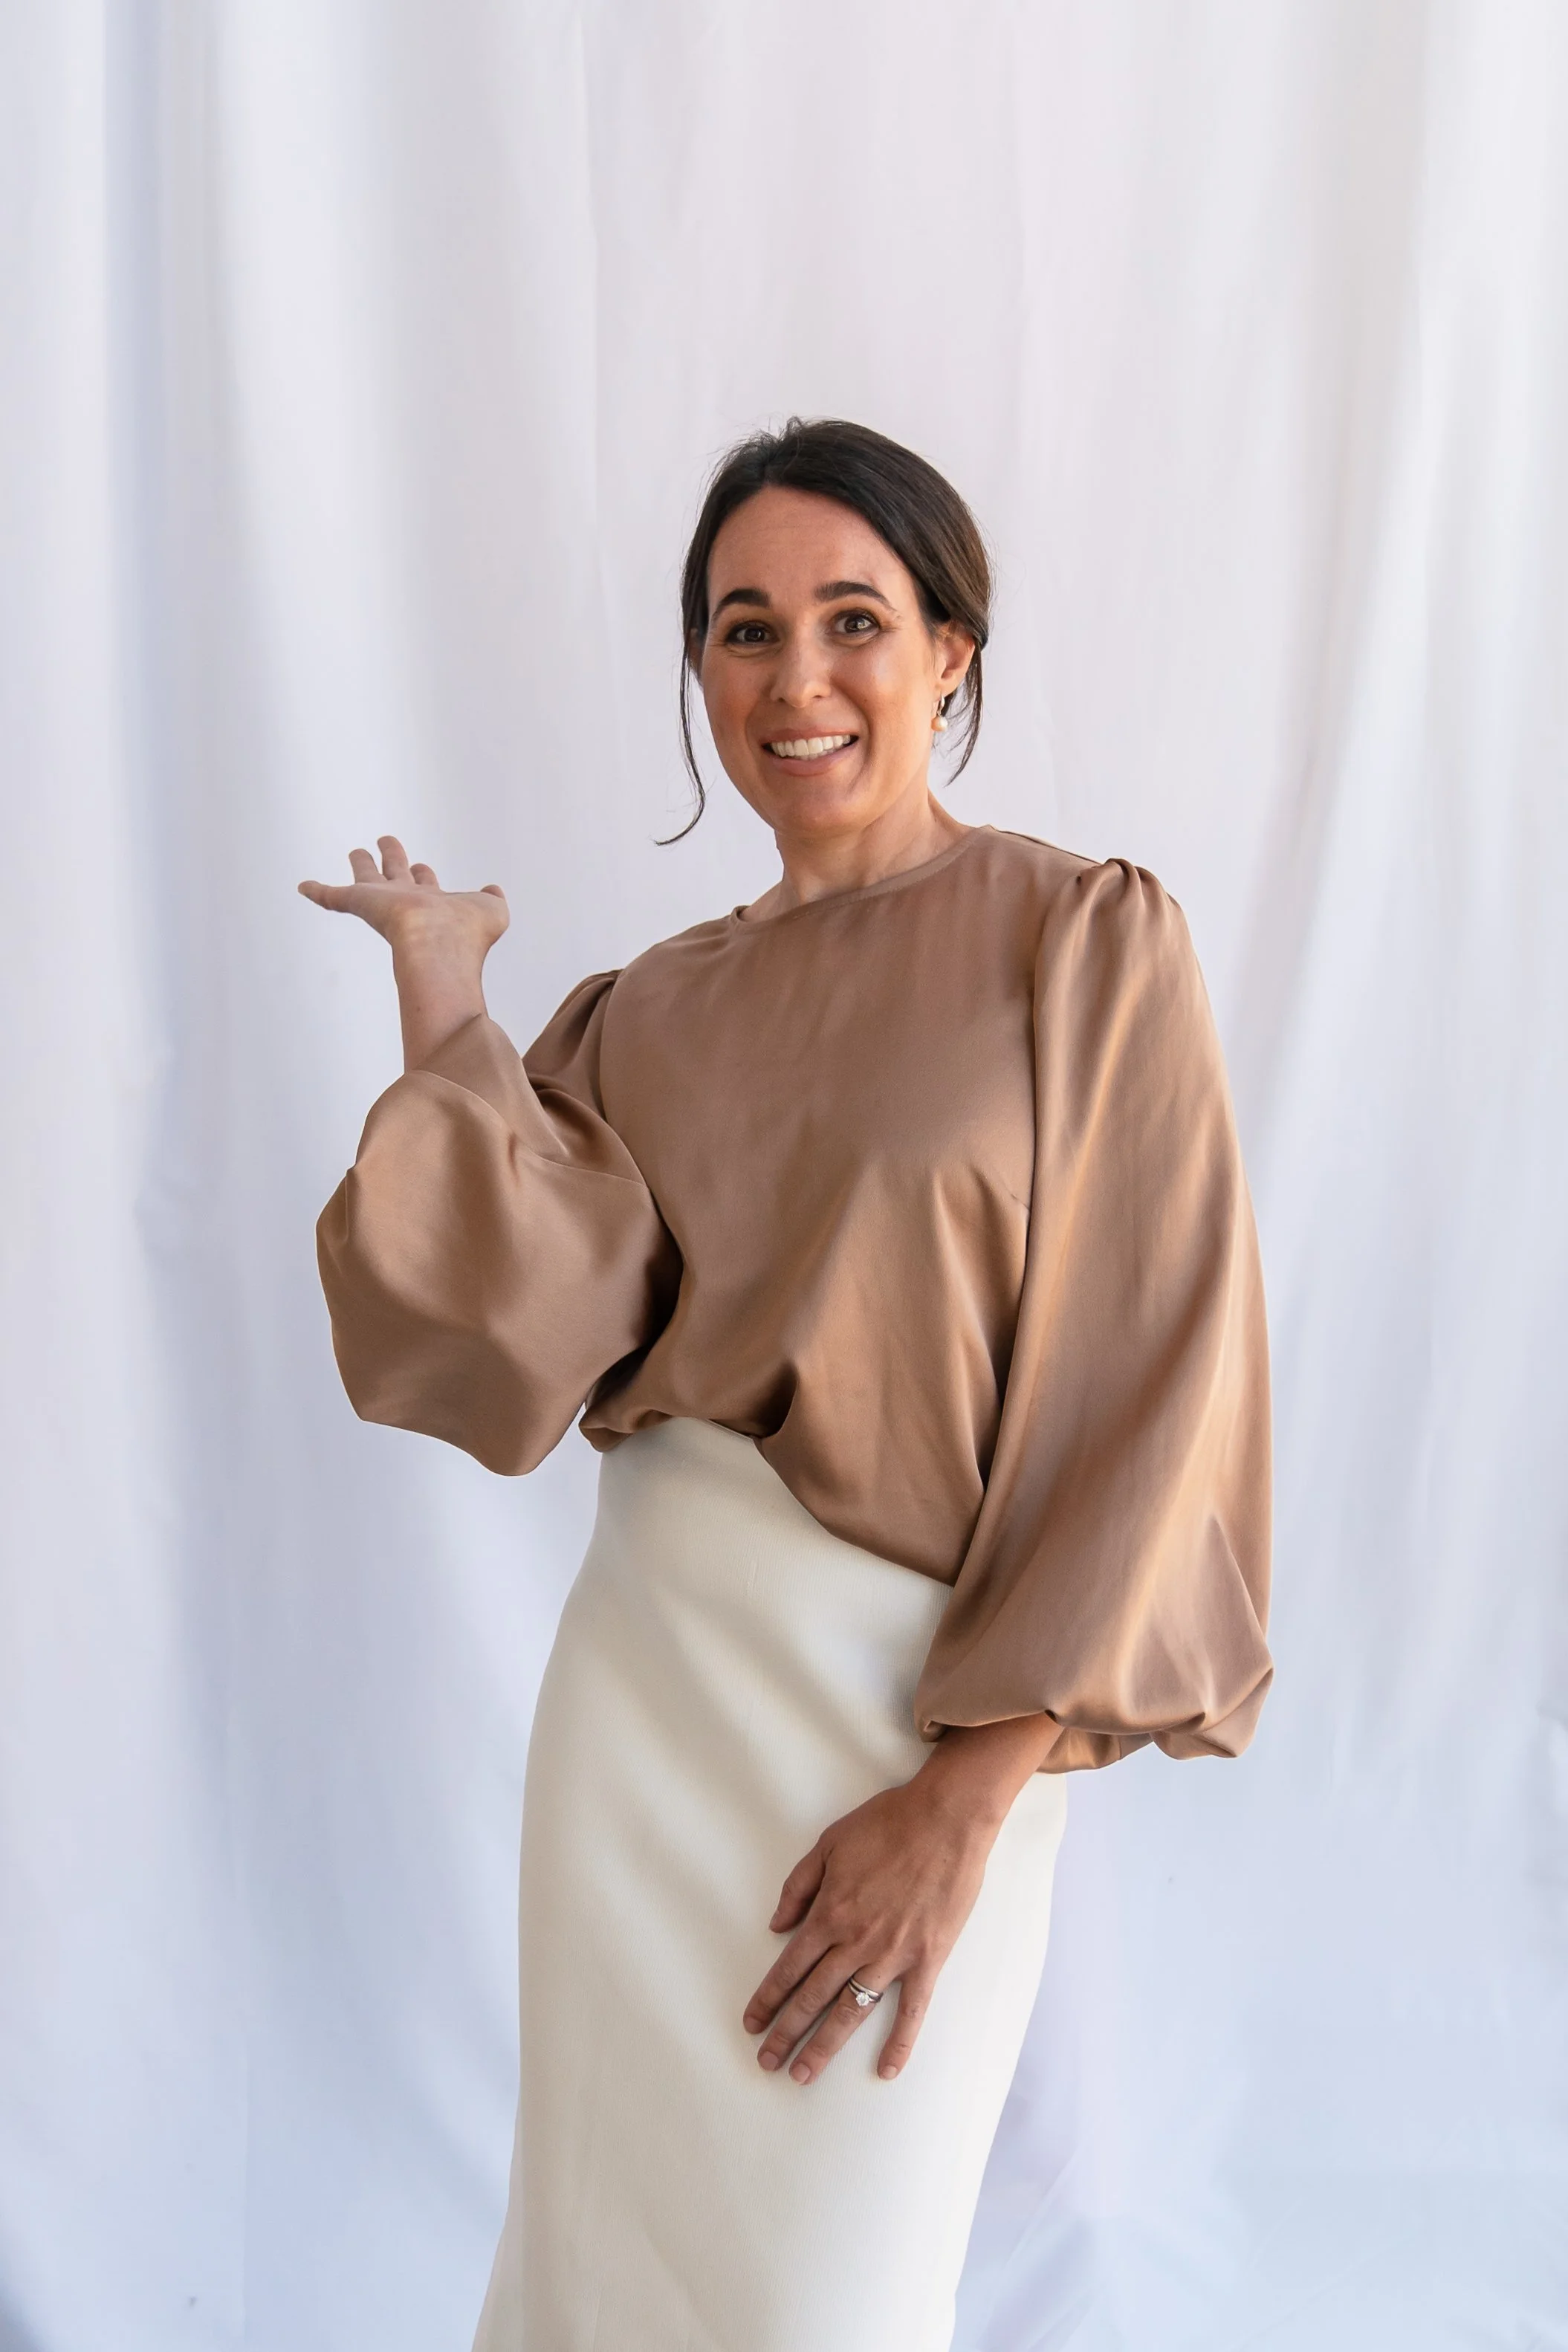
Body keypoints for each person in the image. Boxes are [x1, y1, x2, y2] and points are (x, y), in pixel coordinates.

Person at [300, 417, 1272, 2352]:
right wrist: (444, 1003)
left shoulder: (1081, 943)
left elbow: (1154, 1387)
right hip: (646, 1707)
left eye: (853, 618)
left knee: (822, 2293)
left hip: (905, 1724)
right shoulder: (644, 1012)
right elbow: (517, 1333)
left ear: (949, 652)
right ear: (700, 672)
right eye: (745, 629)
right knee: (600, 2278)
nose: (796, 677)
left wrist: (970, 1795)